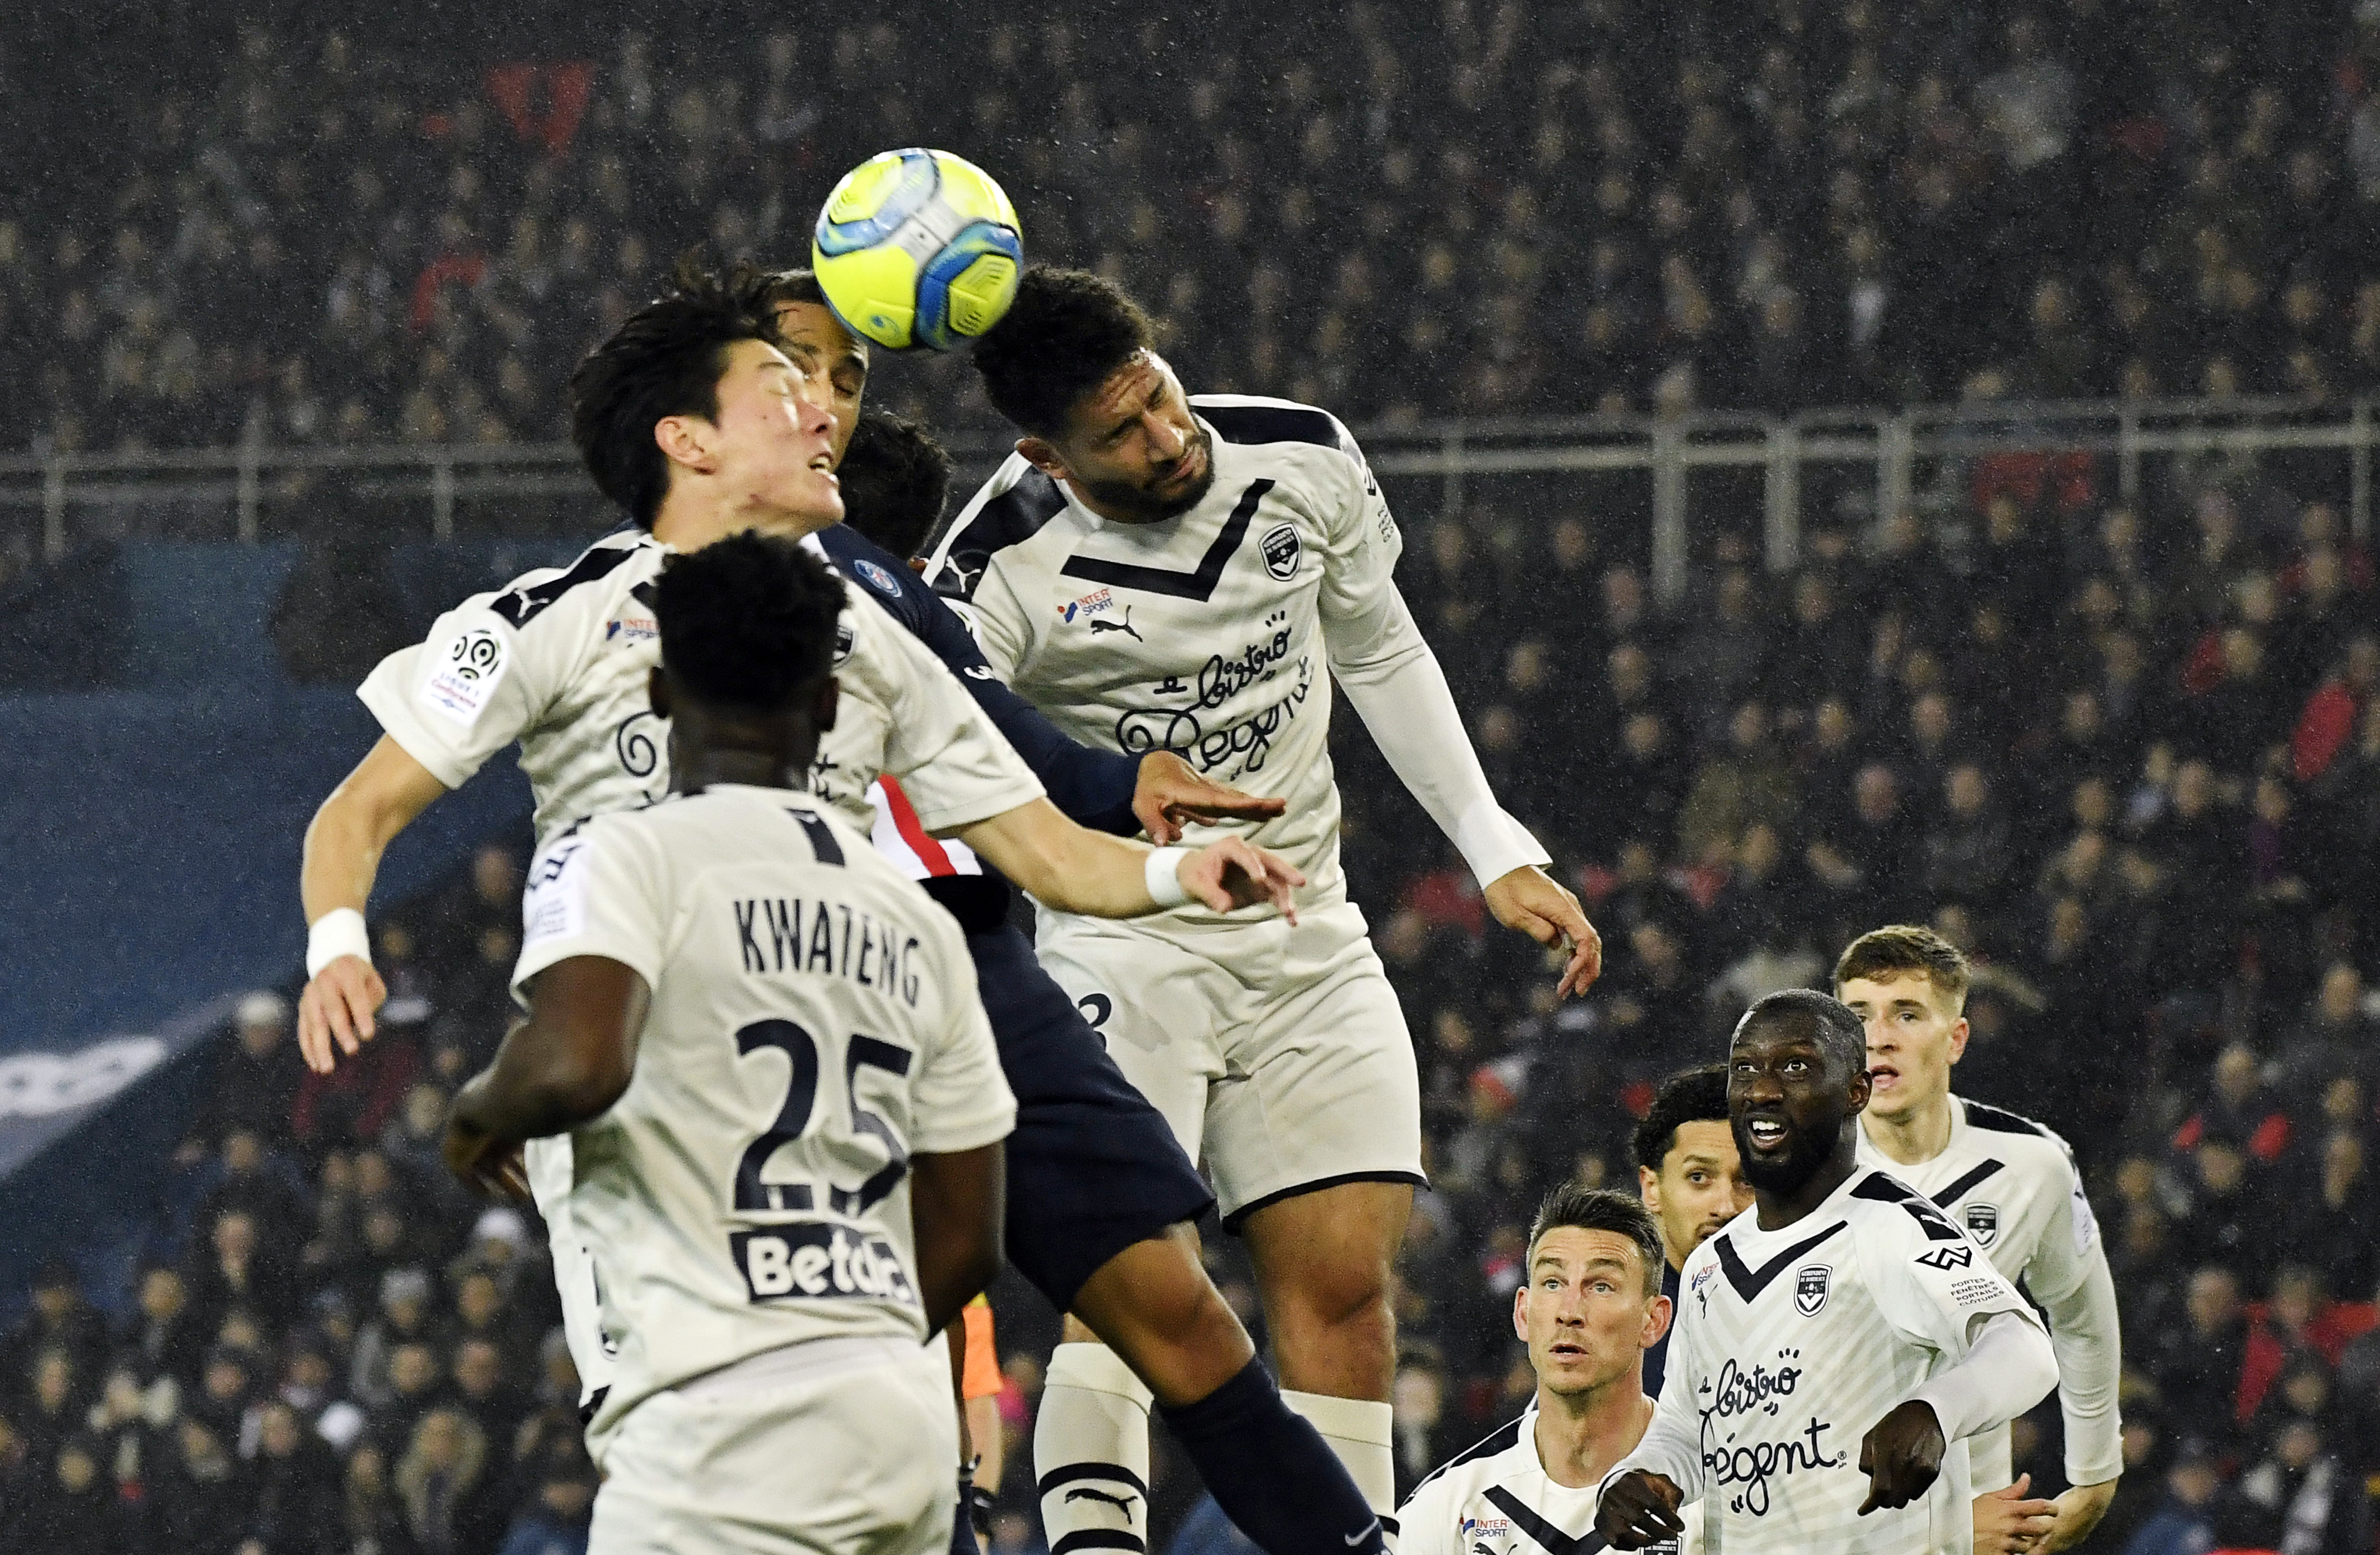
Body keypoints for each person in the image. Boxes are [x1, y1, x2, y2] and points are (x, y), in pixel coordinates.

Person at [301, 261, 1388, 1555]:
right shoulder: (549, 616)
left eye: (835, 388)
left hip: (898, 984)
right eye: (786, 388)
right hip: (674, 1047)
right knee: (753, 1412)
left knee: (1173, 1311)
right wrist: (340, 949)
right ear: (686, 438)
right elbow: (354, 814)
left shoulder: (867, 616)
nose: (828, 413)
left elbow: (1034, 835)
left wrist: (1169, 872)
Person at [927, 264, 1602, 1548]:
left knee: (1346, 1288)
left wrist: (1489, 840)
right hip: (1119, 938)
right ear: (1043, 454)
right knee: (1130, 1291)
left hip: (1307, 929)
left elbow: (1379, 644)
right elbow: (961, 746)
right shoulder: (992, 567)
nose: (1165, 437)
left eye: (1161, 397)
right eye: (1119, 433)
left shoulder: (1300, 457)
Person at [440, 530, 1016, 1554]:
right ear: (832, 708)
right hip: (898, 1411)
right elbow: (969, 1234)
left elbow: (576, 1060)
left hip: (722, 1419)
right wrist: (849, 1342)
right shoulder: (916, 916)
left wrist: (480, 1113)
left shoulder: (623, 852)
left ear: (659, 692)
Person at [1596, 990, 2059, 1555]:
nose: (1764, 1089)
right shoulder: (1710, 1266)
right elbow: (1686, 1425)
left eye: (1795, 1067)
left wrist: (1935, 1410)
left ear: (1856, 1091)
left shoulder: (1892, 1225)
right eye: (1746, 1069)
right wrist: (1643, 1476)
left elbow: (2025, 1346)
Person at [1838, 925, 2122, 1554]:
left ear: (1955, 1038)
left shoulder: (2031, 1164)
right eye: (1858, 1016)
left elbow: (2080, 1318)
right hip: (1824, 1527)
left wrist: (2095, 1475)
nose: (1878, 1036)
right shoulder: (1790, 1175)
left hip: (1977, 1528)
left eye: (1906, 1014)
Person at [1398, 1187, 1702, 1555]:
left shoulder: (1712, 1494)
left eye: (1602, 1286)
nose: (1569, 1311)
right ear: (1524, 1314)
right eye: (1553, 1284)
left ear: (1653, 1320)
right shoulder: (1448, 1506)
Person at [1631, 1066, 1753, 1397]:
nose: (1726, 1206)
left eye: (1748, 1181)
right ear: (1652, 1188)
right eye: (1699, 1177)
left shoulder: (1812, 1307)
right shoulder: (1613, 1325)